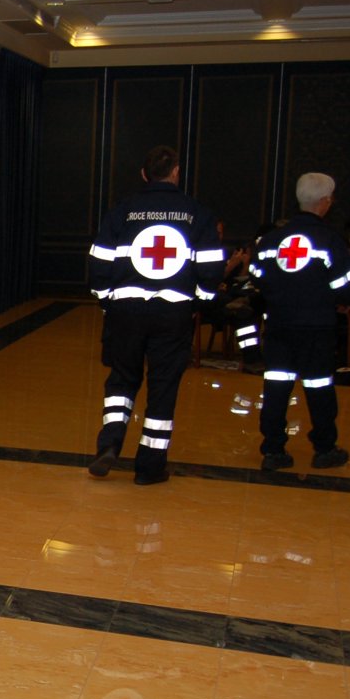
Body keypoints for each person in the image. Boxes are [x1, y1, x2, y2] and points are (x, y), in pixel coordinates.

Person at [87, 145, 226, 485]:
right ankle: (149, 467)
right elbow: (211, 269)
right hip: (173, 311)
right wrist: (200, 302)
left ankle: (110, 443)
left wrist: (108, 300)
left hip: (126, 309)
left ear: (143, 174)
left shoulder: (122, 211)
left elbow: (99, 262)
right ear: (176, 173)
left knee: (122, 379)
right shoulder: (198, 214)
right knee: (163, 386)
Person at [249, 173, 350, 470]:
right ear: (325, 202)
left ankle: (273, 451)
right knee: (319, 386)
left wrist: (279, 295)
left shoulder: (271, 239)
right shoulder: (329, 240)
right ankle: (324, 449)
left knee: (276, 387)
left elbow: (256, 276)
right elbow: (349, 287)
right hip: (317, 326)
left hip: (278, 324)